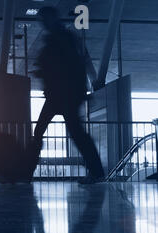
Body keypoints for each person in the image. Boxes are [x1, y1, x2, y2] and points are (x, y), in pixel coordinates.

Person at [33, 7, 105, 184]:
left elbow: (69, 66)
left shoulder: (58, 39)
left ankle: (26, 171)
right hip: (65, 95)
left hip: (62, 95)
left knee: (43, 131)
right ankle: (96, 171)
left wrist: (43, 72)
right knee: (76, 133)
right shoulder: (65, 37)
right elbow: (78, 64)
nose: (43, 23)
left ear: (51, 19)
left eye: (44, 20)